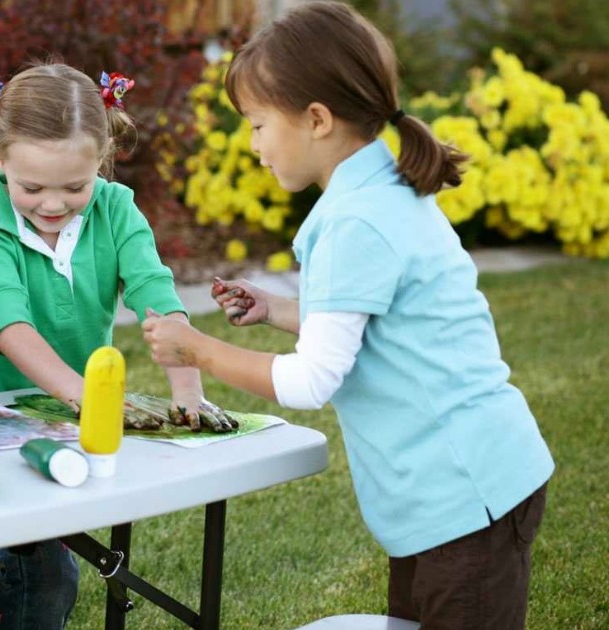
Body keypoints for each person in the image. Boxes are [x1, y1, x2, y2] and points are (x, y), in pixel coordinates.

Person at [141, 3, 554, 628]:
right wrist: (279, 308)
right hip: (451, 491)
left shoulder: (355, 220)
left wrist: (197, 349)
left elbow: (311, 382)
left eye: (256, 125)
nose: (251, 145)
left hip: (467, 494)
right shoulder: (378, 191)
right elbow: (377, 318)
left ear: (316, 119)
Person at [0, 63, 219, 630]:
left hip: (68, 414)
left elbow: (154, 293)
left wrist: (187, 388)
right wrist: (80, 393)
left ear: (103, 157)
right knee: (47, 569)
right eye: (32, 188)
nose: (52, 204)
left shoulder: (115, 208)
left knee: (41, 557)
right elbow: (7, 323)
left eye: (75, 187)